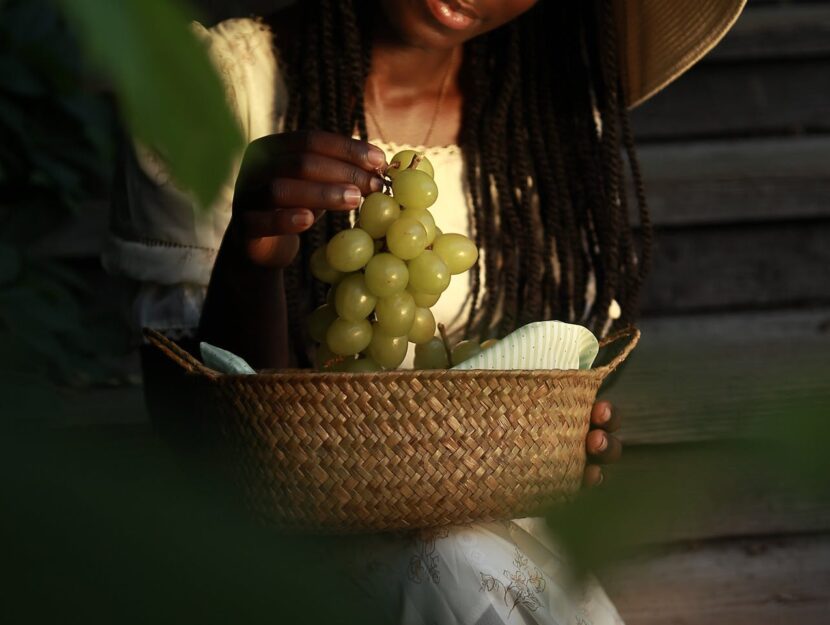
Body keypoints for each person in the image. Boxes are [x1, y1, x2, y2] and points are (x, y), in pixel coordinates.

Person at [104, 1, 747, 623]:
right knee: (445, 560)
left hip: (486, 540)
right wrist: (251, 262)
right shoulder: (214, 87)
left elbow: (544, 365)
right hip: (283, 548)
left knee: (454, 555)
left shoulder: (542, 117)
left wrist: (560, 441)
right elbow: (189, 423)